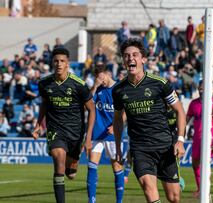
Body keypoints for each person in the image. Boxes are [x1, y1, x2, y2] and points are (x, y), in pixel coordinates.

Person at [112, 38, 186, 203]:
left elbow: (180, 110)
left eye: (135, 55)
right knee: (148, 188)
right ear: (123, 61)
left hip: (165, 146)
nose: (130, 58)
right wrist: (118, 147)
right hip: (140, 149)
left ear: (143, 59)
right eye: (126, 56)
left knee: (174, 197)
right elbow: (117, 120)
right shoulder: (118, 90)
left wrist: (180, 140)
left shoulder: (160, 84)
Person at [31, 47, 96, 203]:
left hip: (76, 132)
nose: (59, 64)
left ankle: (75, 158)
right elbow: (45, 105)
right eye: (56, 61)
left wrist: (88, 138)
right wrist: (39, 124)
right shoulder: (44, 83)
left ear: (68, 64)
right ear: (52, 63)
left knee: (71, 174)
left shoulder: (79, 84)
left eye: (62, 61)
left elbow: (92, 110)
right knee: (58, 162)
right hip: (55, 129)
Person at [87, 64, 125, 203]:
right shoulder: (98, 89)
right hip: (98, 133)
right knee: (92, 164)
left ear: (108, 73)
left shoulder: (119, 88)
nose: (100, 81)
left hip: (113, 134)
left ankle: (119, 201)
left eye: (101, 77)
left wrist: (116, 126)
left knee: (117, 166)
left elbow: (126, 110)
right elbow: (87, 103)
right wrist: (95, 86)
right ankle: (91, 201)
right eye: (97, 78)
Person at [186, 80, 213, 198]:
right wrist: (178, 132)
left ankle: (205, 191)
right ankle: (200, 189)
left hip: (209, 138)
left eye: (204, 88)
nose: (202, 90)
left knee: (205, 165)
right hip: (196, 138)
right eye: (200, 88)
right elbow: (186, 120)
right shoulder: (193, 103)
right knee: (195, 164)